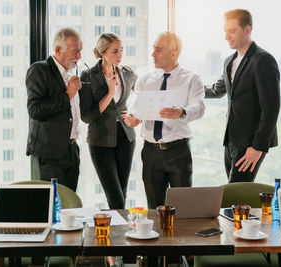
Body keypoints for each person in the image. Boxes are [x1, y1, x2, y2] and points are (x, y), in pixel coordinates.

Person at [125, 32, 205, 209]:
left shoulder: (192, 79)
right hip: (151, 153)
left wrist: (182, 112)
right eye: (153, 49)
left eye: (158, 50)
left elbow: (199, 107)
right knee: (155, 209)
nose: (153, 54)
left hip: (178, 151)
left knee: (183, 209)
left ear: (174, 53)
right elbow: (135, 106)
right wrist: (132, 117)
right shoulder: (145, 80)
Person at [205, 9, 280, 183]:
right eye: (225, 31)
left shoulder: (263, 60)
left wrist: (257, 147)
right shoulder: (229, 61)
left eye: (232, 31)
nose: (226, 37)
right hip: (230, 140)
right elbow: (217, 90)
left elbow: (271, 109)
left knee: (237, 196)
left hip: (250, 143)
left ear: (247, 30)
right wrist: (188, 89)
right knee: (236, 198)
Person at [79, 33, 137, 211]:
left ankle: (119, 233)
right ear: (103, 52)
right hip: (100, 140)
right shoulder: (88, 75)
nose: (120, 55)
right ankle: (118, 234)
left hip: (126, 137)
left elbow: (144, 98)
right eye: (115, 51)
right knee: (115, 196)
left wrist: (136, 116)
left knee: (123, 191)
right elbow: (86, 116)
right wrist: (110, 93)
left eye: (121, 51)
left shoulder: (127, 73)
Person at [26, 27, 82, 192]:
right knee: (49, 208)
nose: (79, 56)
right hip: (49, 154)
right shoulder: (39, 70)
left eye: (80, 51)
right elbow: (35, 110)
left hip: (72, 150)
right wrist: (67, 95)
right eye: (75, 51)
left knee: (69, 205)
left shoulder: (71, 74)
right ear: (58, 49)